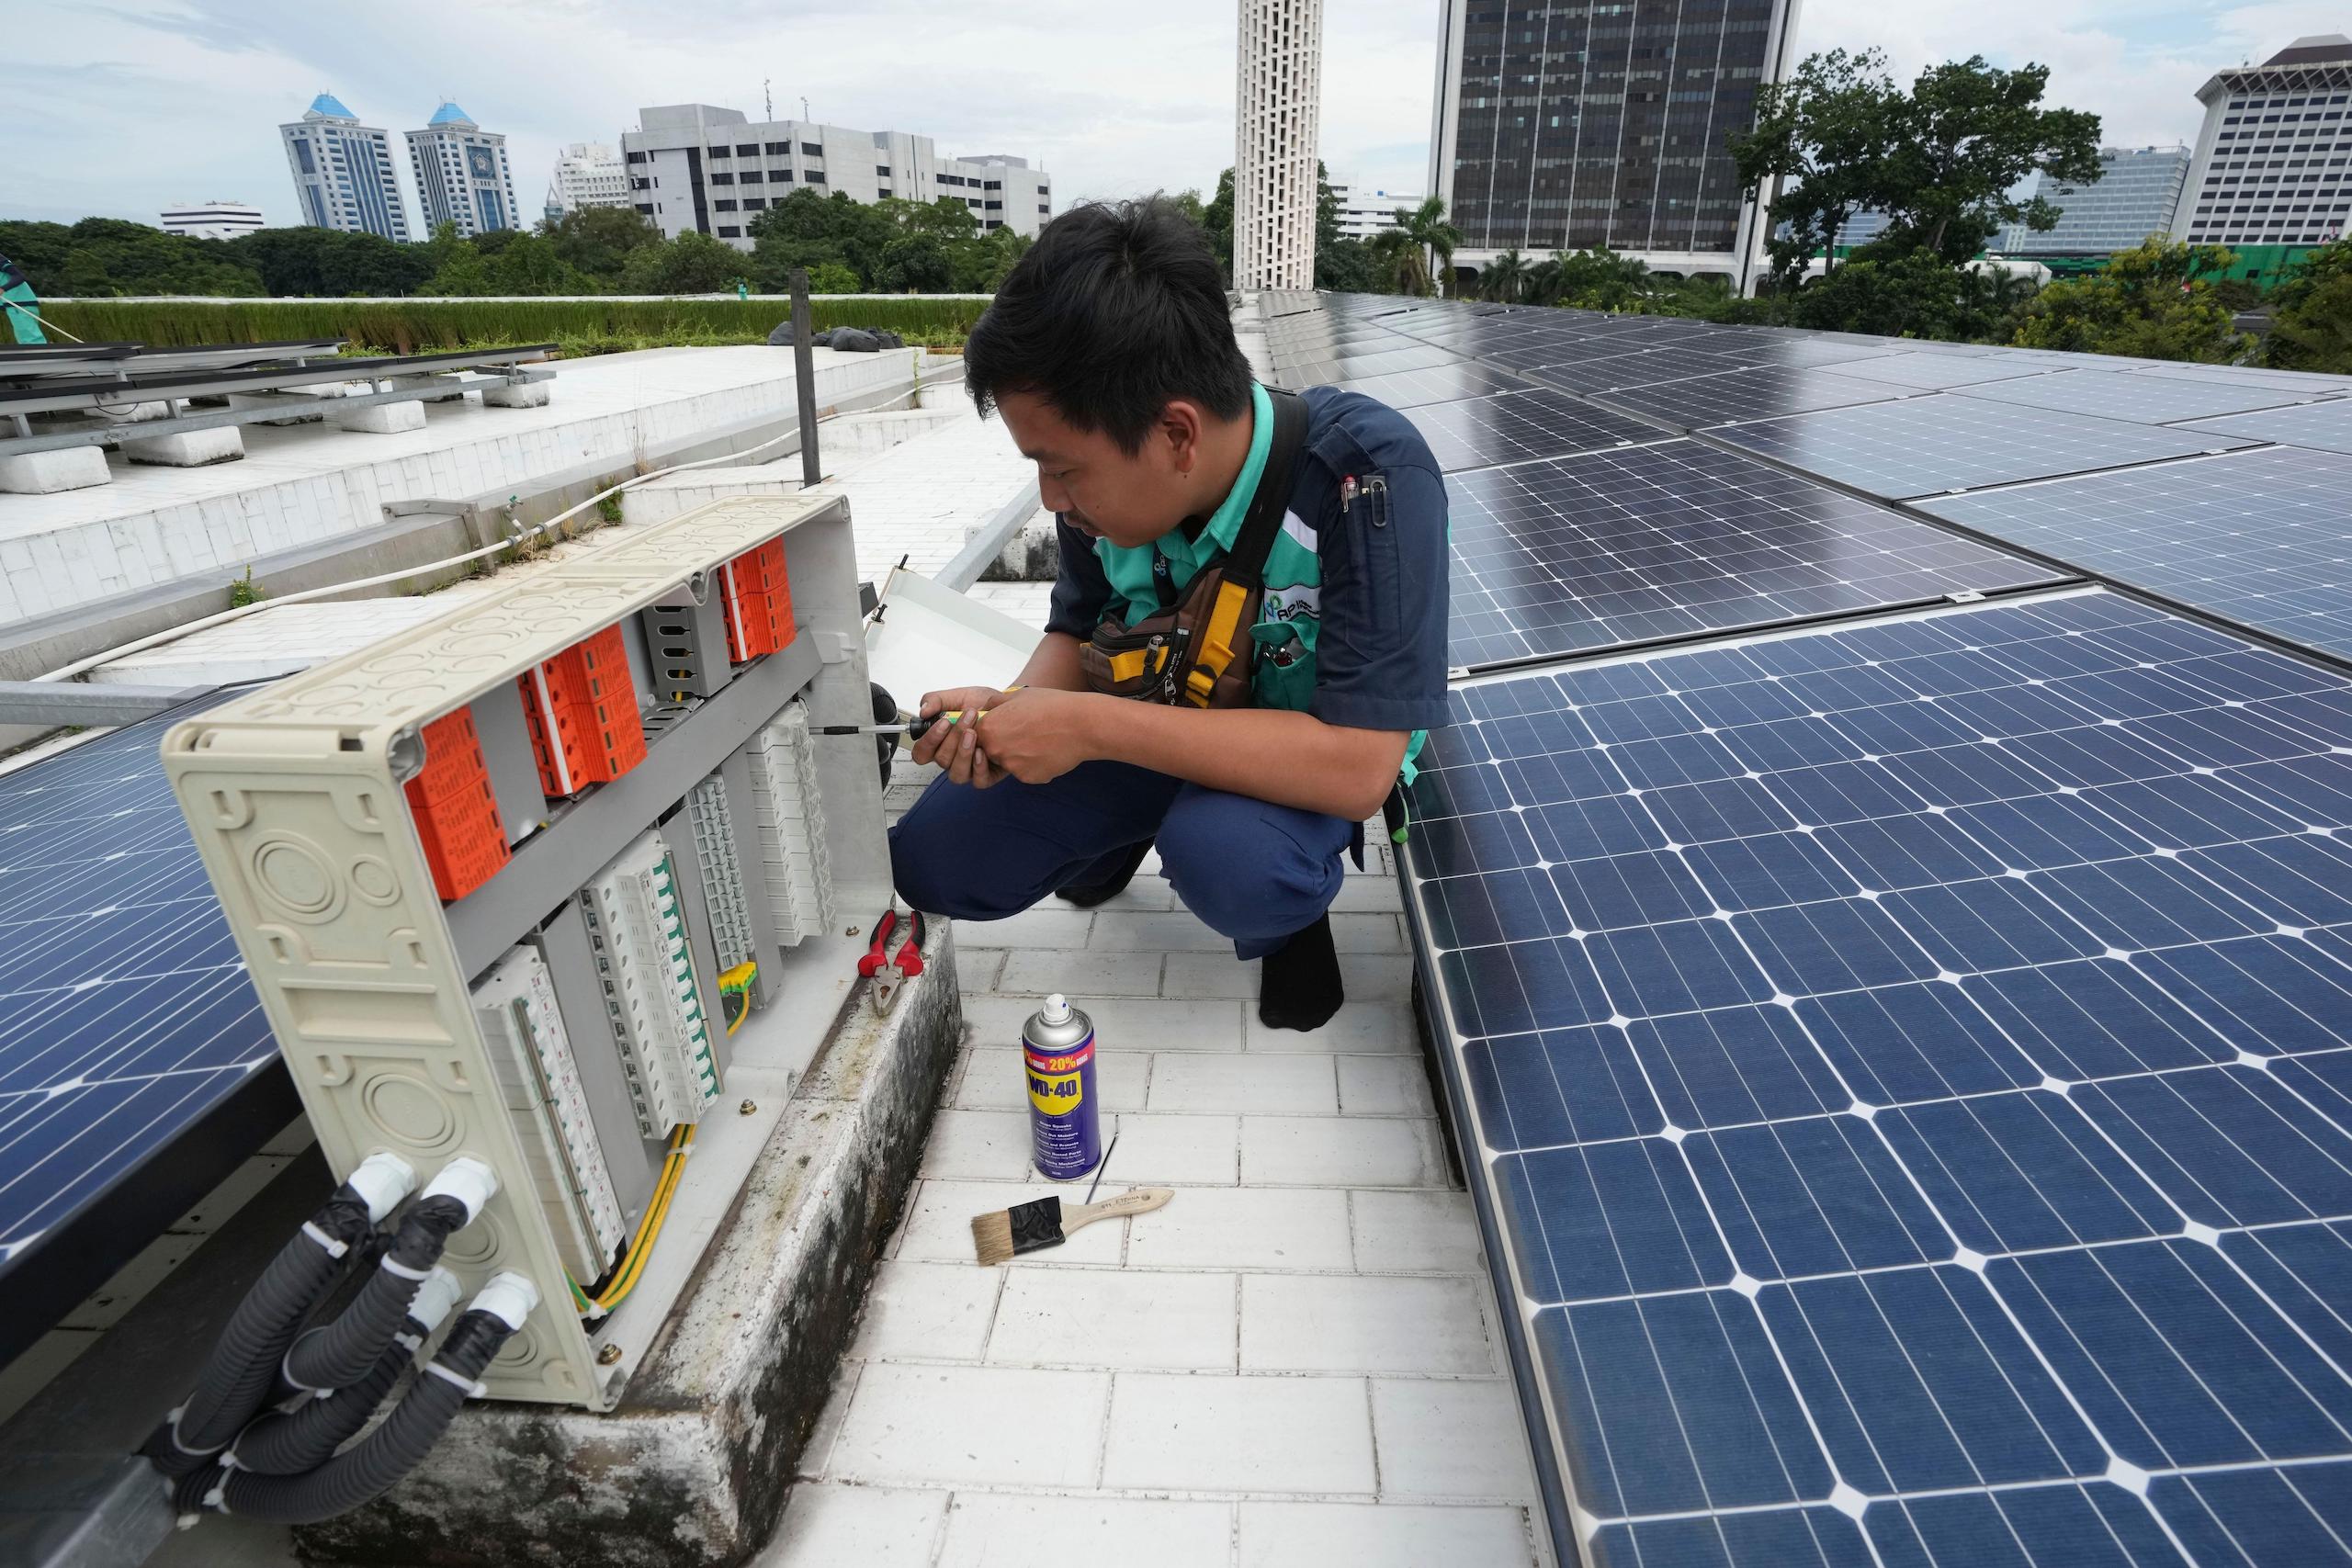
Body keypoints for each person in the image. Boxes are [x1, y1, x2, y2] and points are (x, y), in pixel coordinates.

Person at [889, 198, 1449, 1031]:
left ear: (1176, 435)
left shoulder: (1365, 479)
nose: (1049, 499)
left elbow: (1360, 769)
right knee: (934, 861)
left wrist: (1088, 731)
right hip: (1151, 717)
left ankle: (1288, 914)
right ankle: (1122, 828)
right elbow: (1074, 632)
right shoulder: (1103, 497)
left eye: (1062, 469)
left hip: (1293, 765)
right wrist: (1010, 717)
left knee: (1236, 861)